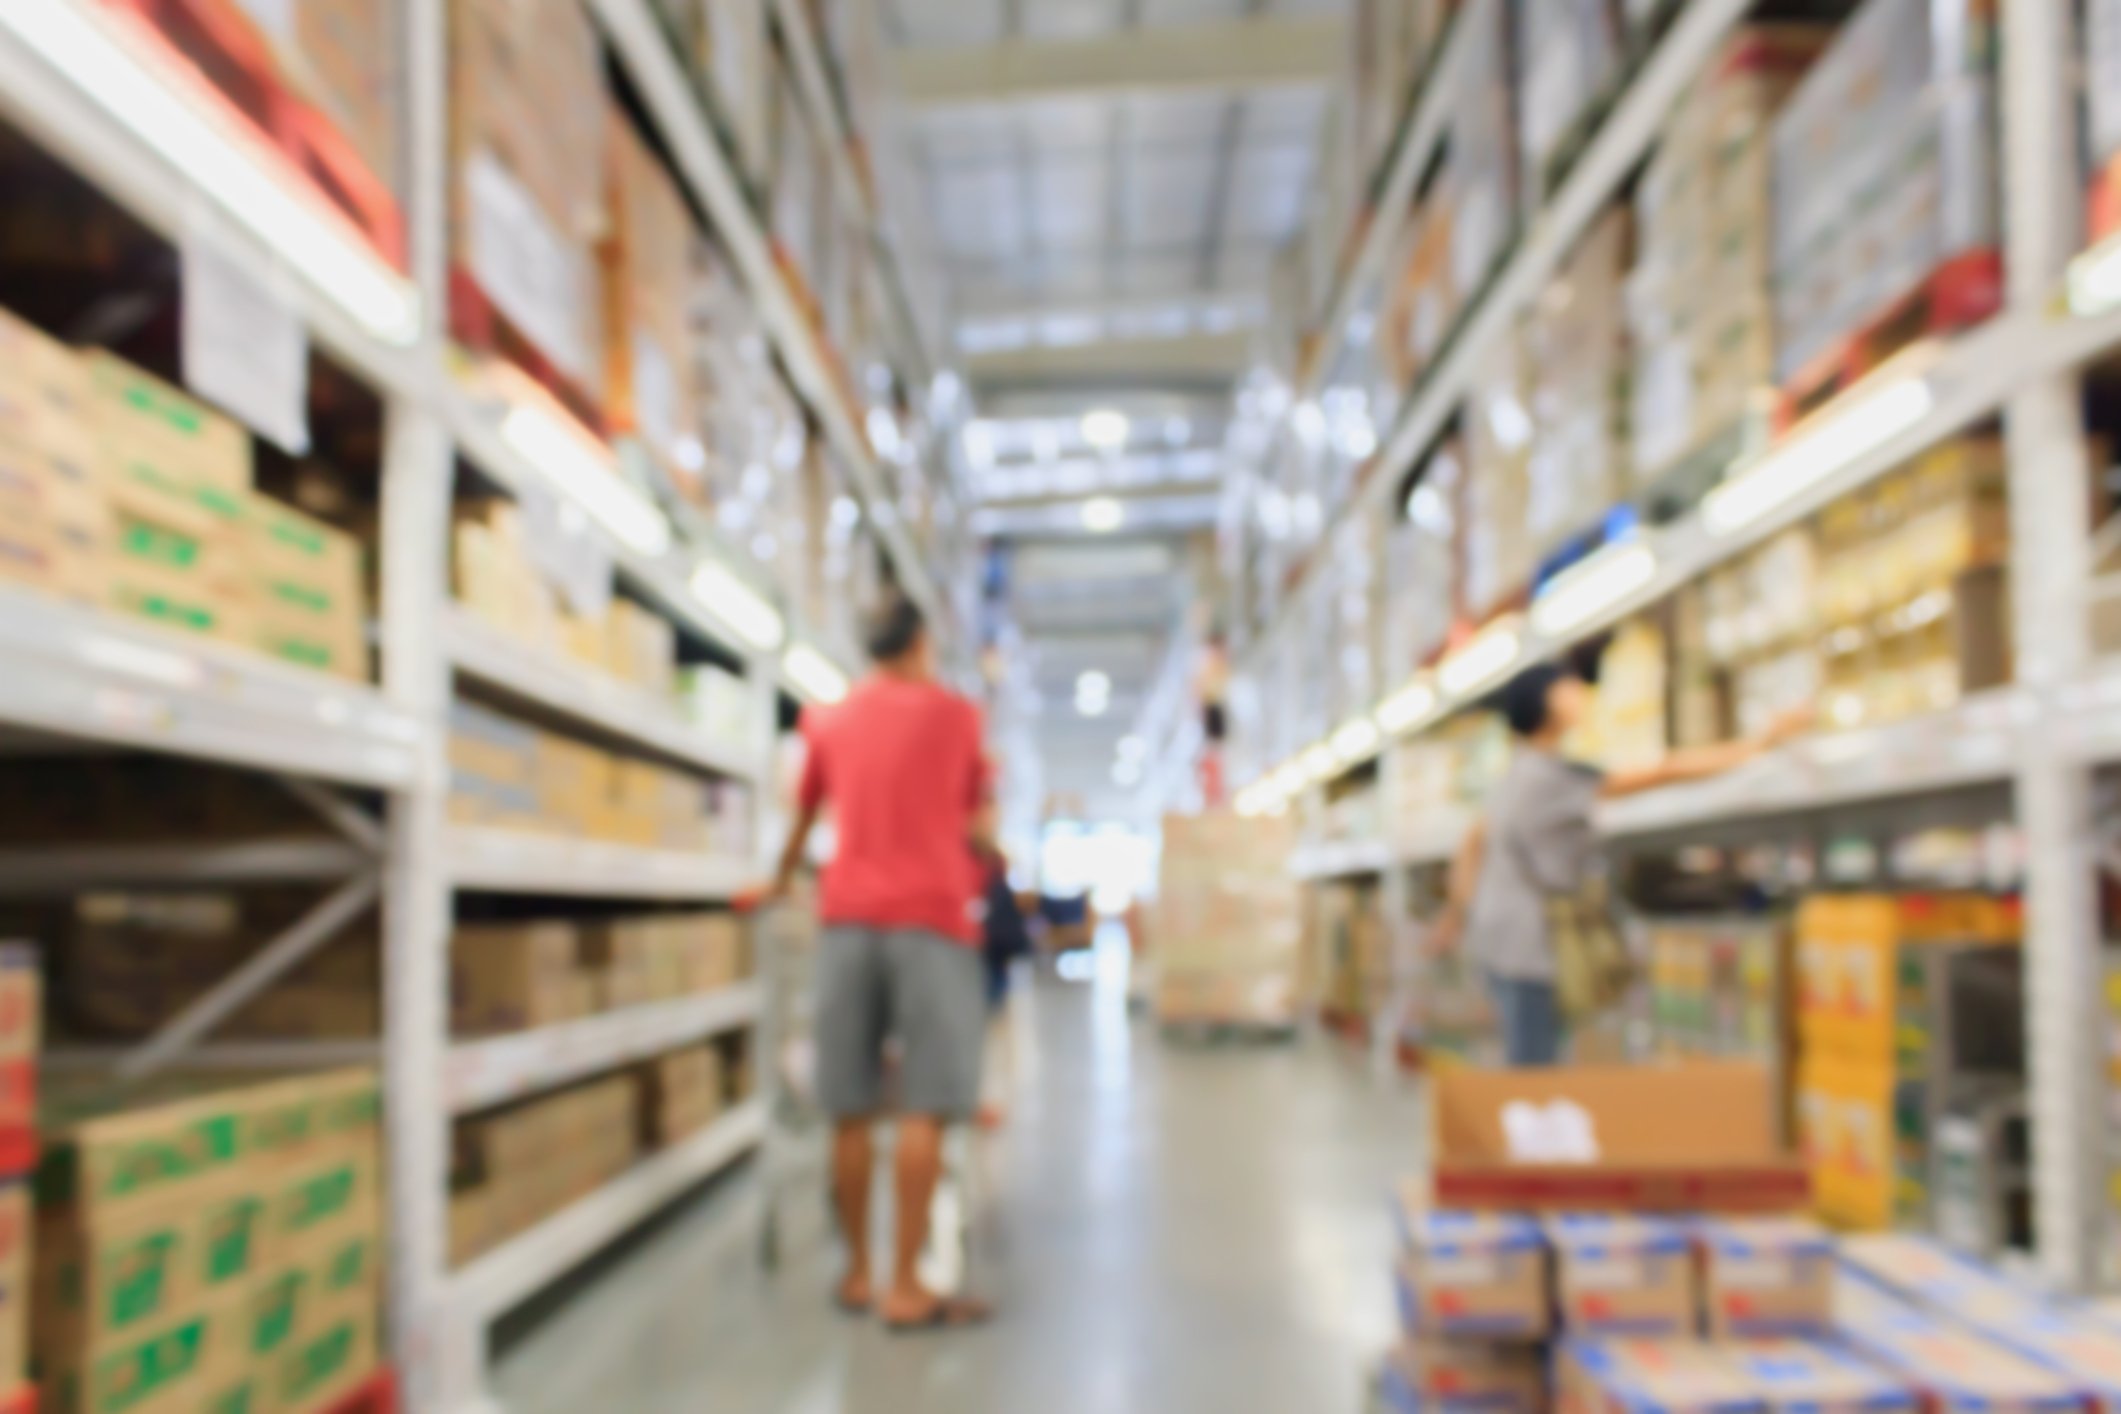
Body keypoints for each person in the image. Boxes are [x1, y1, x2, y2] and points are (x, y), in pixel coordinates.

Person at [763, 594, 993, 1330]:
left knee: (848, 1107)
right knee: (926, 1103)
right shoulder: (958, 718)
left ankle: (858, 1272)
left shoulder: (827, 720)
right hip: (932, 920)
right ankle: (905, 1284)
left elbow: (803, 819)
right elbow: (979, 826)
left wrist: (774, 883)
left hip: (846, 923)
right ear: (921, 643)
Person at [1431, 659, 1807, 1067]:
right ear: (1546, 702)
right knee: (1534, 1068)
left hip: (1500, 937)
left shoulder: (1517, 773)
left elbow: (1472, 840)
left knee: (1528, 1057)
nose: (1580, 692)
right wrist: (1761, 744)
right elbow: (1664, 770)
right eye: (1567, 685)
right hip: (1531, 942)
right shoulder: (1553, 776)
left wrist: (1459, 910)